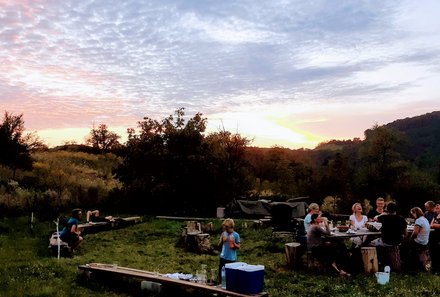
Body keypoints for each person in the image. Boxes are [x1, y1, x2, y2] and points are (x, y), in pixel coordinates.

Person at [218, 218, 240, 283]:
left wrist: (234, 244)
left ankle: (230, 287)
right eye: (225, 228)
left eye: (227, 228)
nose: (225, 230)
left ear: (231, 227)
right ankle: (221, 285)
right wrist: (222, 240)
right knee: (221, 274)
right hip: (223, 257)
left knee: (230, 275)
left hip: (231, 258)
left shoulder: (236, 235)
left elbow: (239, 246)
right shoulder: (224, 233)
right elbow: (219, 245)